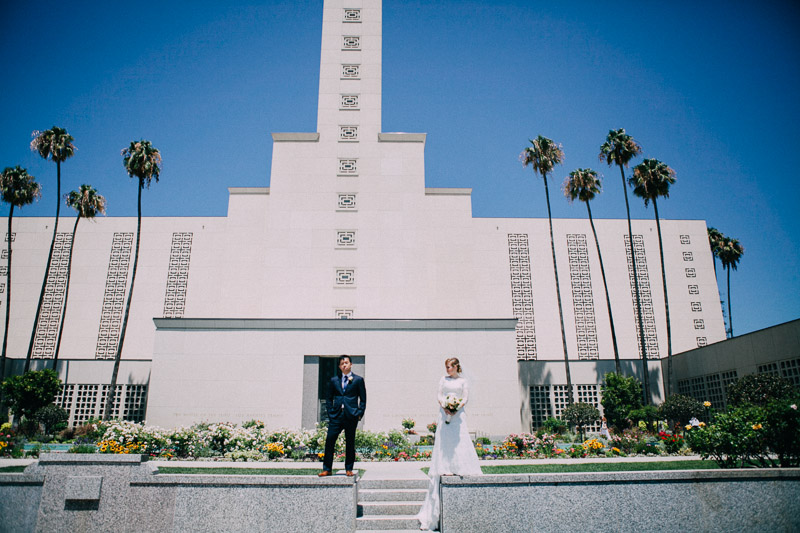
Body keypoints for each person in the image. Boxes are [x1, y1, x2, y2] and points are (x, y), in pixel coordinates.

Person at [417, 357, 481, 531]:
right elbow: (439, 394)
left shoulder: (463, 381)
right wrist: (444, 405)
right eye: (446, 367)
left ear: (456, 367)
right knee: (445, 441)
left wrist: (456, 407)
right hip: (443, 413)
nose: (447, 369)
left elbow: (465, 397)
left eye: (449, 367)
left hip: (458, 416)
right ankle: (445, 465)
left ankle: (460, 465)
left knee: (458, 440)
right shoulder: (442, 380)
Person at [319, 355, 366, 477]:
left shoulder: (358, 380)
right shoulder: (334, 380)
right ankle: (327, 469)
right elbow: (329, 398)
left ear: (351, 364)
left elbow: (363, 399)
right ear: (339, 366)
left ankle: (349, 469)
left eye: (346, 362)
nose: (344, 365)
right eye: (342, 363)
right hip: (337, 416)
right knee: (330, 441)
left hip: (351, 415)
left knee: (350, 442)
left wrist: (359, 413)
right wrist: (330, 412)